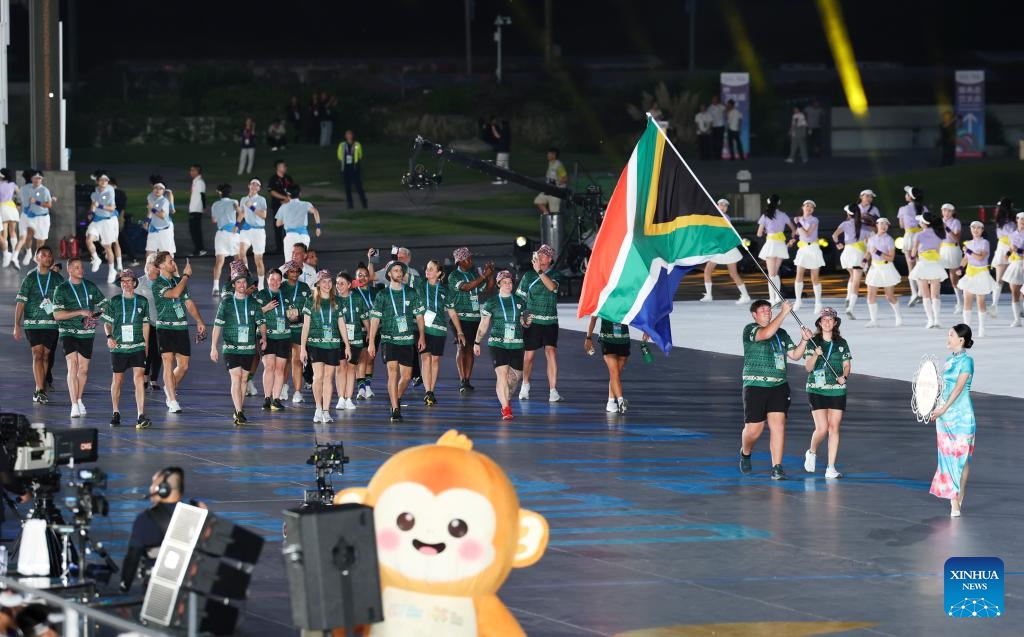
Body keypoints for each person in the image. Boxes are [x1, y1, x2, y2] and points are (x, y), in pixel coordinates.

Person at [739, 299, 813, 480]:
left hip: (779, 385)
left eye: (768, 309)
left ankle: (777, 467)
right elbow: (765, 334)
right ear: (754, 315)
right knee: (754, 429)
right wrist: (784, 313)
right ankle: (746, 452)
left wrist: (804, 340)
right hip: (756, 385)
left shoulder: (781, 333)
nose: (766, 311)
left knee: (778, 425)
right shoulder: (751, 329)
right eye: (762, 310)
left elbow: (795, 355)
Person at [367, 260, 425, 422]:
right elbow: (375, 320)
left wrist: (422, 336)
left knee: (406, 376)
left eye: (401, 270)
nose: (399, 273)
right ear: (389, 274)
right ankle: (395, 408)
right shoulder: (382, 295)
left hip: (407, 340)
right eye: (395, 271)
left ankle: (396, 398)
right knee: (392, 373)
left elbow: (419, 317)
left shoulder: (411, 293)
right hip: (389, 339)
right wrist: (371, 341)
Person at [211, 261, 267, 426]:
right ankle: (240, 411)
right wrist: (213, 347)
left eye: (244, 282)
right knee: (236, 377)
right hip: (231, 347)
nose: (242, 285)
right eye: (239, 282)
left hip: (248, 348)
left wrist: (263, 337)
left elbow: (261, 321)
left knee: (244, 379)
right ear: (233, 285)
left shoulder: (254, 303)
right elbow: (217, 325)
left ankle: (238, 409)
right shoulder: (226, 302)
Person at [929, 324, 975, 517]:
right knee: (948, 457)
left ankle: (959, 491)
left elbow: (958, 388)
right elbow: (942, 388)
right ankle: (954, 501)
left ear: (961, 340)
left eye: (951, 335)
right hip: (944, 415)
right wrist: (933, 405)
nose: (948, 338)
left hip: (962, 415)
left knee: (962, 459)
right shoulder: (948, 361)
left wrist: (943, 409)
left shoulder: (967, 361)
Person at [51, 257, 106, 418]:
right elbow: (57, 315)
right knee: (72, 366)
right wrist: (80, 312)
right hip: (68, 332)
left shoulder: (90, 286)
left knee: (84, 369)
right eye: (76, 267)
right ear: (69, 270)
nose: (80, 270)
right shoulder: (61, 289)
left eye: (81, 267)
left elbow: (104, 304)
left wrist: (98, 313)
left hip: (86, 332)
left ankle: (79, 398)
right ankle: (74, 404)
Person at [152, 252, 207, 413]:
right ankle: (172, 399)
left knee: (183, 366)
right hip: (165, 327)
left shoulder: (179, 281)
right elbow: (174, 294)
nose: (173, 264)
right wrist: (185, 276)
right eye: (170, 262)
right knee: (168, 361)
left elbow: (188, 302)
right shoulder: (157, 284)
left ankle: (169, 388)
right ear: (161, 266)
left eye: (173, 261)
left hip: (181, 327)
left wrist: (199, 320)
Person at [119, 467, 188, 592]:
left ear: (163, 489)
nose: (151, 488)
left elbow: (132, 559)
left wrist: (124, 588)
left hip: (157, 589)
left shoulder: (145, 520)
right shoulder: (196, 512)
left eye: (154, 485)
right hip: (188, 587)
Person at [801, 308, 851, 479]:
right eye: (824, 319)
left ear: (835, 323)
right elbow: (808, 367)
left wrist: (844, 376)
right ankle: (812, 451)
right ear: (820, 323)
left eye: (831, 319)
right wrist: (815, 354)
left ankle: (831, 467)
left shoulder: (841, 343)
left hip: (837, 390)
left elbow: (847, 364)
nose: (827, 322)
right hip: (816, 388)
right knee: (822, 428)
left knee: (834, 427)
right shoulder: (812, 342)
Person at [300, 269, 353, 423]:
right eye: (324, 281)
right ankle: (318, 408)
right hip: (315, 343)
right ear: (318, 283)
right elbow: (306, 326)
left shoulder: (337, 301)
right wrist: (302, 348)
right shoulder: (311, 300)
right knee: (318, 377)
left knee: (329, 378)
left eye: (330, 281)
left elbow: (341, 324)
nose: (327, 284)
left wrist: (347, 346)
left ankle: (326, 410)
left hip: (333, 344)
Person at [101, 269, 152, 429]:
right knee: (117, 379)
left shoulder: (142, 301)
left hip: (137, 345)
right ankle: (116, 412)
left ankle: (140, 414)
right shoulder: (114, 301)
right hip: (119, 347)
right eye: (123, 281)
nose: (126, 283)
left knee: (139, 378)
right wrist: (109, 337)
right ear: (120, 283)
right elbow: (107, 322)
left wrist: (146, 345)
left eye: (129, 280)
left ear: (134, 283)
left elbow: (145, 325)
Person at [12, 246, 63, 404]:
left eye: (50, 255)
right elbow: (21, 302)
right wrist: (16, 325)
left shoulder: (57, 278)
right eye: (44, 255)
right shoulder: (30, 278)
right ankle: (40, 390)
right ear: (37, 258)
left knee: (46, 355)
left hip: (51, 324)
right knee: (37, 354)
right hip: (32, 323)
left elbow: (65, 301)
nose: (48, 258)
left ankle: (40, 385)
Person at [474, 270, 527, 420]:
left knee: (515, 377)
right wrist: (477, 342)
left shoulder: (519, 301)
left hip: (516, 343)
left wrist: (526, 322)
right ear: (498, 284)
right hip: (497, 343)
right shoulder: (491, 303)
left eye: (510, 282)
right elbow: (484, 324)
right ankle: (506, 408)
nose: (508, 285)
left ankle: (506, 398)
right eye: (504, 282)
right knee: (502, 375)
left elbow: (523, 321)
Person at [517, 243, 563, 402]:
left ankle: (553, 391)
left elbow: (551, 287)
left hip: (550, 321)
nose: (539, 257)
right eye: (538, 254)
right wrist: (522, 316)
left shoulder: (555, 274)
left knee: (551, 353)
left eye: (543, 255)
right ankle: (525, 385)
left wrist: (540, 272)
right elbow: (520, 299)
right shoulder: (528, 276)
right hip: (533, 321)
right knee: (529, 355)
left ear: (549, 259)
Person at [448, 247, 494, 392]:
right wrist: (483, 276)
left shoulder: (474, 273)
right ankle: (462, 379)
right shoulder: (454, 276)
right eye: (468, 259)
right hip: (459, 317)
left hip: (474, 317)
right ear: (460, 262)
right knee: (462, 347)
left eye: (470, 258)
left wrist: (490, 275)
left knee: (470, 348)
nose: (471, 261)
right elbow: (467, 287)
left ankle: (468, 379)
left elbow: (487, 289)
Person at [419, 259, 465, 406]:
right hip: (423, 328)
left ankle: (431, 390)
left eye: (431, 269)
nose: (427, 271)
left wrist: (459, 332)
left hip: (439, 329)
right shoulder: (420, 285)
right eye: (427, 268)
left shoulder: (445, 291)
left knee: (435, 360)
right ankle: (428, 392)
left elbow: (452, 312)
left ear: (439, 273)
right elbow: (402, 274)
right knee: (426, 358)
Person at [584, 316, 641, 414]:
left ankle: (610, 402)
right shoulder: (602, 300)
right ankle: (620, 400)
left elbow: (638, 313)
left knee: (616, 374)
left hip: (624, 339)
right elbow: (593, 318)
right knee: (614, 372)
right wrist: (588, 338)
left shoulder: (626, 300)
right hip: (607, 339)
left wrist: (648, 330)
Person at [256, 269, 292, 411]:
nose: (275, 282)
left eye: (278, 279)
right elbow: (254, 314)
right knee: (269, 366)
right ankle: (266, 397)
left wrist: (294, 316)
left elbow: (291, 315)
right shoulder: (261, 294)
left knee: (280, 369)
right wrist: (266, 308)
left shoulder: (285, 295)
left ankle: (276, 400)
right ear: (267, 280)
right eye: (272, 279)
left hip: (283, 336)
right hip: (267, 335)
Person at [333, 272, 370, 411]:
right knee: (341, 368)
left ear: (349, 285)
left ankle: (349, 398)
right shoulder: (333, 300)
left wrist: (370, 334)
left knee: (351, 368)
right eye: (337, 283)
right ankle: (340, 398)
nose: (338, 286)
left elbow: (365, 317)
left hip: (355, 338)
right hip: (338, 339)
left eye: (342, 283)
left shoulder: (357, 298)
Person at [701, 199, 749, 303]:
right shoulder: (715, 217)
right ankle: (708, 295)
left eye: (725, 205)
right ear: (717, 206)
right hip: (718, 249)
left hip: (727, 248)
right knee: (707, 271)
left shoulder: (724, 217)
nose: (723, 207)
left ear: (727, 208)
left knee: (733, 274)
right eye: (721, 205)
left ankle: (745, 296)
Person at [908, 210, 948, 329]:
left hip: (923, 264)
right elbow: (939, 250)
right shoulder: (939, 233)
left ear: (924, 223)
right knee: (935, 295)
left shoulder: (919, 235)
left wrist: (911, 258)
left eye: (920, 221)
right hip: (935, 264)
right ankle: (937, 319)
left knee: (925, 294)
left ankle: (930, 320)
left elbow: (914, 251)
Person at [956, 220, 997, 337]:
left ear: (982, 230)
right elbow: (966, 259)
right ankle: (965, 329)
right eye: (973, 227)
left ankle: (982, 328)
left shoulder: (985, 243)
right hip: (970, 273)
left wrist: (968, 250)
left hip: (981, 273)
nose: (976, 230)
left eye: (978, 228)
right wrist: (960, 268)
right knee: (967, 300)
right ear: (970, 229)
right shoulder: (968, 243)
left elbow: (980, 258)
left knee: (980, 301)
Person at [831, 204, 872, 319]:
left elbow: (834, 235)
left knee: (852, 277)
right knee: (856, 281)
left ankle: (848, 298)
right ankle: (850, 308)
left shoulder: (845, 224)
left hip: (847, 253)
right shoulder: (865, 227)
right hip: (858, 254)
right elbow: (869, 244)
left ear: (849, 214)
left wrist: (838, 244)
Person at [281, 259, 312, 403]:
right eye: (291, 271)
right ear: (286, 273)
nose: (294, 274)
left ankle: (298, 391)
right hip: (285, 328)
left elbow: (309, 307)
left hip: (299, 328)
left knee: (297, 360)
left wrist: (299, 316)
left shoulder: (305, 287)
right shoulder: (281, 287)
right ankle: (284, 386)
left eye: (296, 271)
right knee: (285, 359)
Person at [863, 218, 903, 327]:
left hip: (887, 268)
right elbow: (868, 252)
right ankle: (873, 320)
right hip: (874, 268)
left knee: (889, 295)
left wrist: (879, 252)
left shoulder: (889, 240)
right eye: (881, 223)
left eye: (886, 224)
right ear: (876, 225)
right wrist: (864, 261)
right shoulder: (871, 239)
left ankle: (899, 317)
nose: (883, 226)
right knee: (871, 295)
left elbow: (891, 258)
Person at [755, 194, 794, 305]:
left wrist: (766, 231)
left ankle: (772, 299)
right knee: (775, 273)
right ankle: (777, 298)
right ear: (779, 203)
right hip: (781, 244)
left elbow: (758, 234)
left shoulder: (765, 215)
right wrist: (792, 240)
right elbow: (794, 230)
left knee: (771, 274)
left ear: (768, 202)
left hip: (771, 244)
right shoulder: (783, 215)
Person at [788, 200, 825, 313]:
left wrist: (798, 223)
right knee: (799, 275)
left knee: (814, 277)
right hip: (803, 249)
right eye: (807, 206)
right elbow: (799, 234)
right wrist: (793, 239)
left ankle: (818, 302)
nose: (809, 208)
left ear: (813, 210)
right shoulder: (799, 219)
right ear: (803, 207)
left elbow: (808, 234)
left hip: (813, 248)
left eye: (811, 207)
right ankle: (798, 300)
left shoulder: (814, 220)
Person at [12, 171, 52, 264]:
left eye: (39, 178)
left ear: (41, 180)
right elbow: (23, 200)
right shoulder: (28, 188)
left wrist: (36, 202)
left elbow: (49, 205)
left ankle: (37, 257)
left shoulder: (45, 190)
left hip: (43, 218)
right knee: (28, 235)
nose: (37, 180)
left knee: (40, 240)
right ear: (31, 179)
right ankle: (28, 253)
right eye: (35, 178)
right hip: (31, 217)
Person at [897, 185, 927, 307]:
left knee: (911, 267)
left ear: (910, 197)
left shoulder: (903, 209)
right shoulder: (924, 208)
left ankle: (914, 292)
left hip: (909, 236)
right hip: (921, 236)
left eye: (907, 194)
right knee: (921, 265)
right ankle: (920, 291)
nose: (905, 196)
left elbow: (901, 225)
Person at [210, 184, 242, 296]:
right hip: (233, 233)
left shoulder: (215, 204)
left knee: (219, 261)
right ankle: (238, 285)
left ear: (220, 192)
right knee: (237, 260)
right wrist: (237, 225)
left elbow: (214, 220)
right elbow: (241, 213)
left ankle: (215, 287)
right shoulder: (234, 201)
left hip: (221, 234)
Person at [352, 263, 378, 400]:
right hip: (359, 330)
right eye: (359, 275)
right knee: (362, 358)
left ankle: (368, 386)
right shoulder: (353, 292)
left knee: (370, 359)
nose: (362, 278)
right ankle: (360, 388)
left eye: (365, 275)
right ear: (355, 277)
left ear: (369, 277)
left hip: (375, 330)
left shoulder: (375, 292)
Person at [238, 179, 269, 290]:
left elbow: (264, 215)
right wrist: (237, 224)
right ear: (249, 185)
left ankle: (260, 284)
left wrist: (251, 207)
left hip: (258, 231)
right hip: (246, 229)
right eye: (252, 184)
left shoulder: (261, 199)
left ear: (259, 188)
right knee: (241, 254)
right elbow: (242, 213)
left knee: (258, 260)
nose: (254, 186)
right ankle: (248, 277)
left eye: (257, 185)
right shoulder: (243, 199)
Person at [275, 185, 321, 257]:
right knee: (301, 262)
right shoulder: (306, 204)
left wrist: (289, 218)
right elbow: (315, 211)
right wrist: (318, 227)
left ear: (288, 195)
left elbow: (278, 223)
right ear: (300, 194)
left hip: (291, 236)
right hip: (304, 236)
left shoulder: (284, 206)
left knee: (290, 263)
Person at [990, 197, 1015, 317]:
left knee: (1000, 279)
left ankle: (995, 304)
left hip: (1005, 248)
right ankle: (994, 304)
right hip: (1008, 248)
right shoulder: (1009, 223)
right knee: (1012, 280)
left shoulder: (1000, 221)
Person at [939, 203, 964, 312]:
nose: (946, 213)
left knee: (954, 278)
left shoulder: (955, 222)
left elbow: (956, 239)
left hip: (953, 250)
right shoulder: (938, 222)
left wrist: (947, 228)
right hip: (941, 250)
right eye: (944, 210)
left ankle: (960, 302)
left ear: (953, 212)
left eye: (949, 211)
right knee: (934, 274)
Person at [267, 160, 294, 255]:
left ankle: (289, 246)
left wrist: (289, 198)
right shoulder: (273, 179)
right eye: (283, 166)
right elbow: (272, 191)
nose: (285, 168)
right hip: (277, 206)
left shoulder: (288, 178)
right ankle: (279, 248)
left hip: (288, 206)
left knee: (288, 226)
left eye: (285, 166)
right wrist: (284, 197)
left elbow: (293, 189)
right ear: (278, 167)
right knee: (278, 227)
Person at [1002, 212, 1024, 328]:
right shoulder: (1012, 235)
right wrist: (1007, 254)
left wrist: (1018, 251)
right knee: (1014, 293)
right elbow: (1011, 248)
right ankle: (1017, 320)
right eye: (1021, 219)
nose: (1022, 222)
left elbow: (1017, 250)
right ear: (1017, 220)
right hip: (1015, 265)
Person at [337, 129, 368, 209]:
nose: (349, 136)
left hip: (355, 169)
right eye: (347, 134)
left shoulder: (357, 144)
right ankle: (350, 204)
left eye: (350, 134)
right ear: (345, 136)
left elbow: (360, 155)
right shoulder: (342, 145)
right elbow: (339, 155)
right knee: (347, 188)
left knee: (359, 187)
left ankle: (364, 203)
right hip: (346, 169)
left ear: (352, 136)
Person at [533, 148, 568, 215]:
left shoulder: (558, 165)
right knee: (538, 201)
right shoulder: (551, 163)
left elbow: (565, 178)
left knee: (554, 212)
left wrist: (557, 184)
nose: (547, 155)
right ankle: (547, 214)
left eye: (549, 154)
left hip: (556, 191)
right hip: (548, 189)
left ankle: (553, 223)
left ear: (554, 155)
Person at [187, 164, 207, 257]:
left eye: (192, 170)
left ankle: (199, 249)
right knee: (194, 230)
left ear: (197, 172)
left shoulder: (199, 182)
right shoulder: (195, 181)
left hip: (197, 209)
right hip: (193, 209)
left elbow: (202, 195)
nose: (191, 172)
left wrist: (204, 207)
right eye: (190, 170)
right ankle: (199, 249)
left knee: (195, 231)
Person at [0, 167, 18, 266]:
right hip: (12, 207)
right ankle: (15, 255)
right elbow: (19, 194)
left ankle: (6, 254)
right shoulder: (13, 184)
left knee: (4, 233)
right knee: (13, 231)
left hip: (2, 208)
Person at [487, 116, 511, 184]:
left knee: (499, 165)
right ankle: (507, 179)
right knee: (506, 166)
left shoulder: (504, 130)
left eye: (501, 124)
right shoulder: (508, 131)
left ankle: (499, 180)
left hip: (502, 151)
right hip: (506, 151)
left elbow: (497, 136)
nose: (500, 125)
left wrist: (493, 128)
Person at [707, 95, 726, 160]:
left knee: (720, 142)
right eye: (713, 99)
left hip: (721, 126)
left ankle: (719, 156)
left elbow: (727, 108)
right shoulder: (709, 108)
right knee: (714, 142)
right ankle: (714, 156)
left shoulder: (720, 106)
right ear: (712, 100)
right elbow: (708, 118)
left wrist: (723, 102)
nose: (715, 100)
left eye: (716, 99)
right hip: (713, 126)